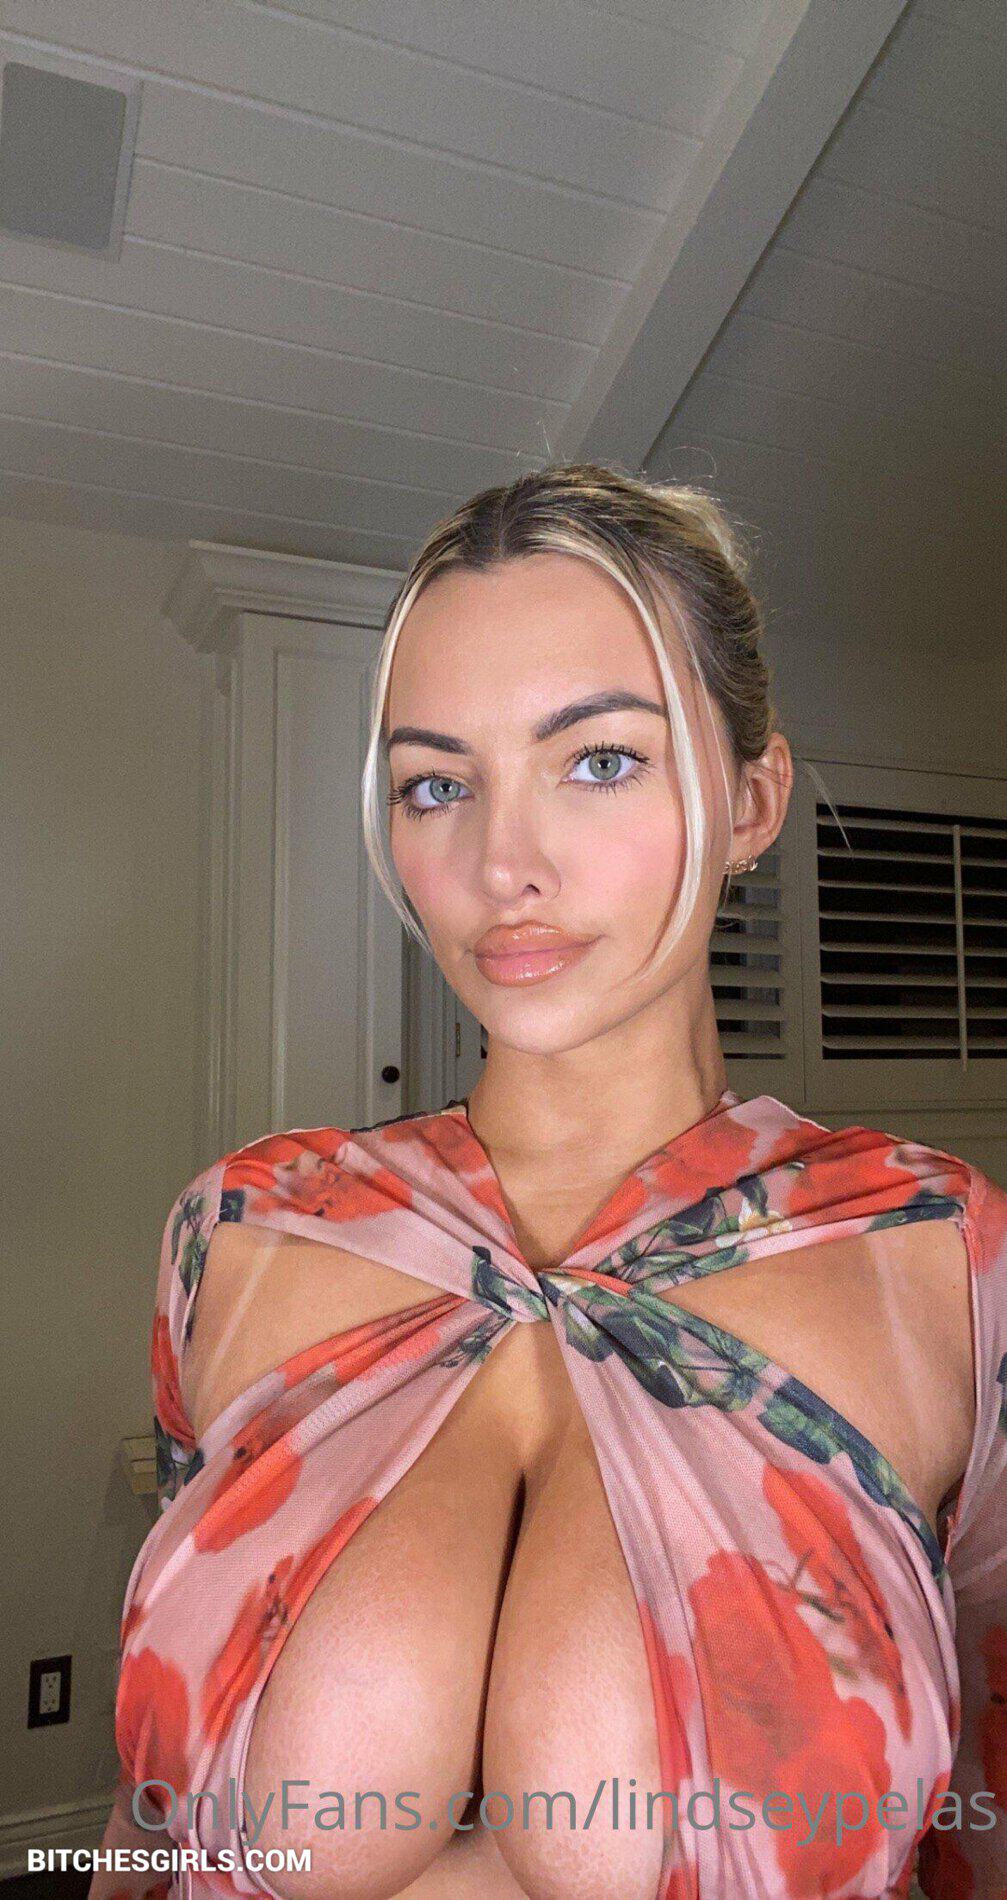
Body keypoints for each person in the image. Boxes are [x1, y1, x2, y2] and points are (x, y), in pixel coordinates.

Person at [97, 464, 1005, 1900]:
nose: (500, 864)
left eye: (599, 761)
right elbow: (149, 1821)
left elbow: (989, 1807)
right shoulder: (241, 1230)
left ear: (754, 797)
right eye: (437, 785)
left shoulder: (941, 1253)